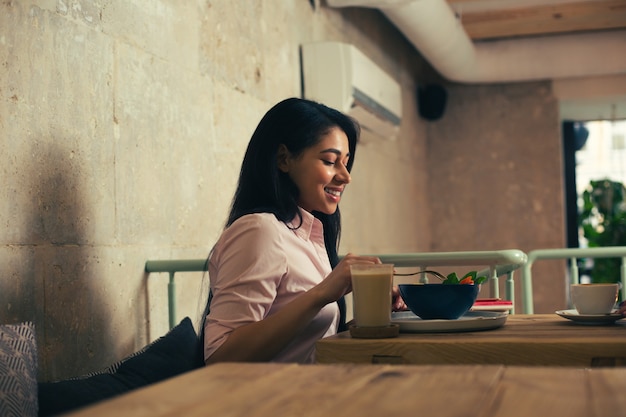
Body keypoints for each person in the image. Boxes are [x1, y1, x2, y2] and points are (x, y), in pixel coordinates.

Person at [202, 97, 398, 364]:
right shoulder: (259, 230)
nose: (345, 176)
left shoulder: (309, 237)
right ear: (284, 159)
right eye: (330, 161)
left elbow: (309, 346)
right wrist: (321, 293)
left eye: (346, 162)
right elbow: (221, 356)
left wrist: (375, 317)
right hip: (271, 401)